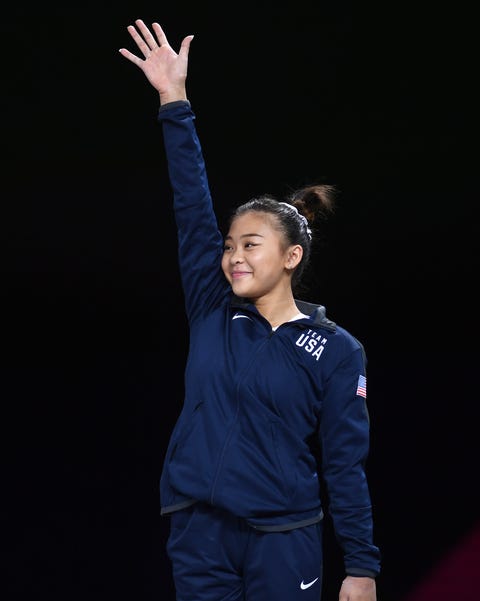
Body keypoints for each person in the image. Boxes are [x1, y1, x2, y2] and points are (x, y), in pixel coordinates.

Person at [119, 19, 381, 601]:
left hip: (284, 538)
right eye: (230, 245)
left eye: (250, 246)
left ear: (291, 257)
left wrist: (361, 566)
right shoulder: (213, 307)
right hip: (198, 531)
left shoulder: (337, 350)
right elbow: (191, 202)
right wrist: (173, 100)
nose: (234, 256)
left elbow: (344, 463)